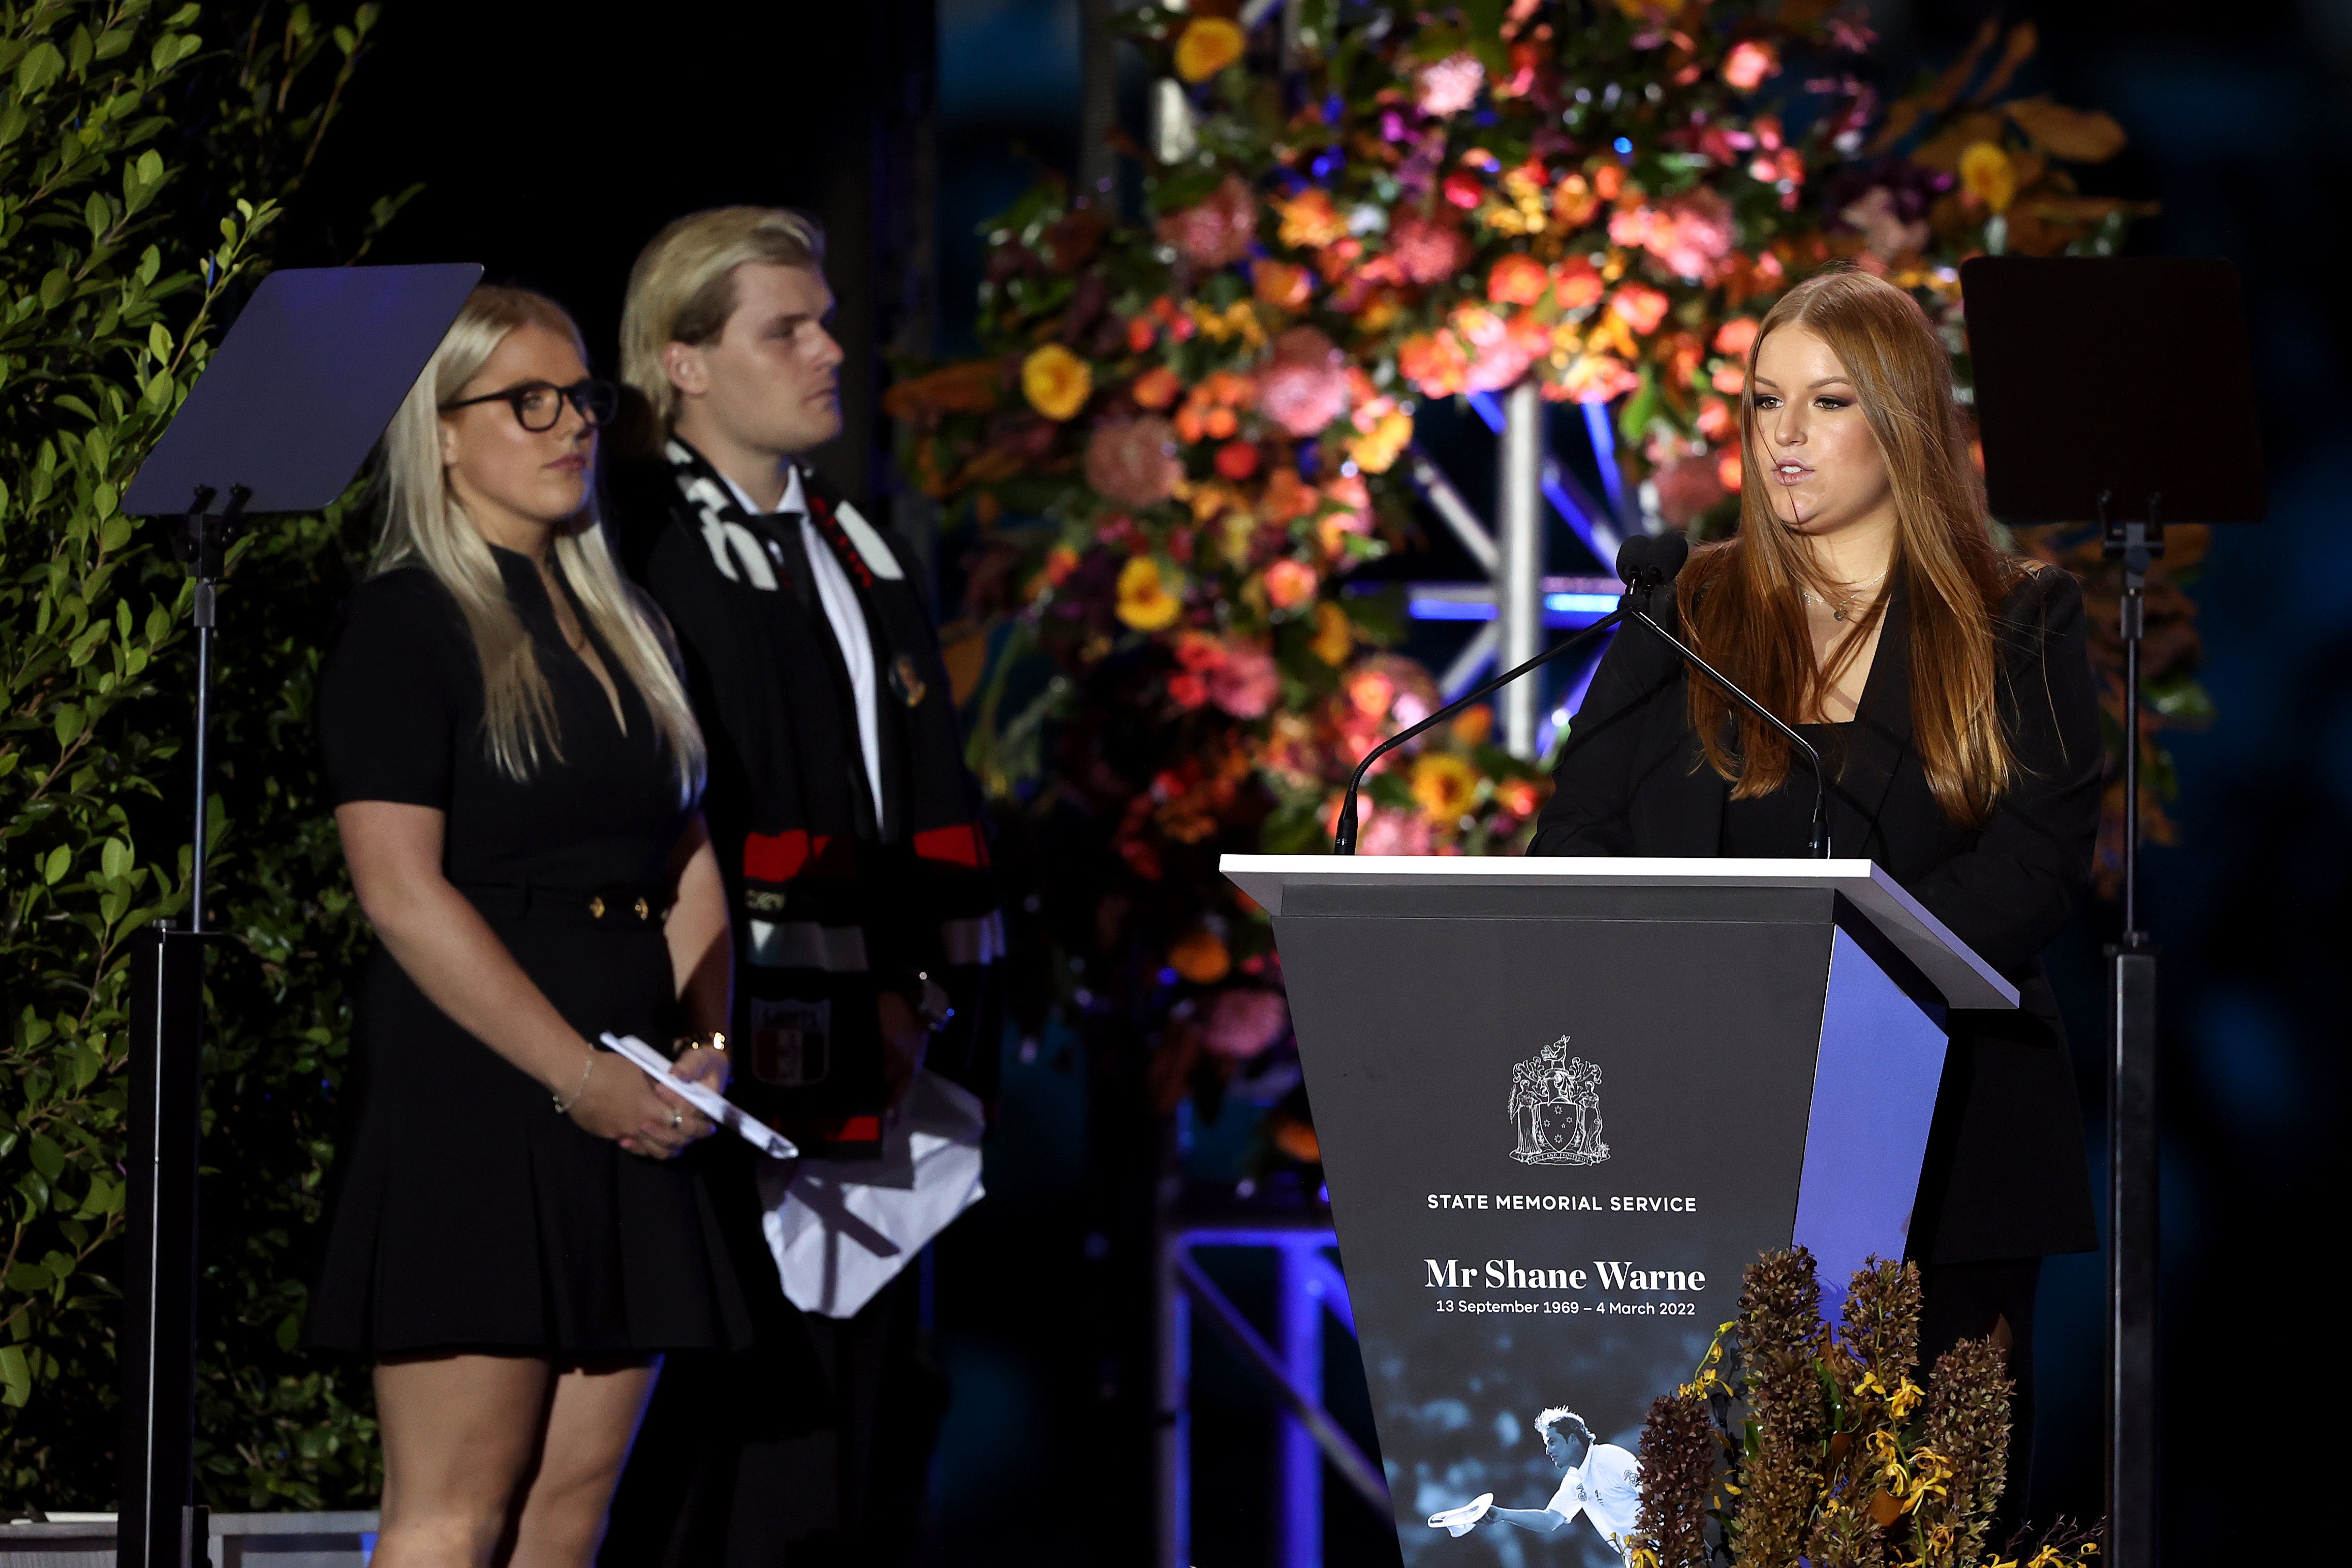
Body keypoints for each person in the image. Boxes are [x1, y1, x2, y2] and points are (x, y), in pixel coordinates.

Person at [1530, 266, 2101, 1523]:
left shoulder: (2016, 616)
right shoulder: (1684, 609)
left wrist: (1835, 982)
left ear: (1897, 418)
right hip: (1694, 1140)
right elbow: (1574, 837)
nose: (1782, 435)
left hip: (1944, 1144)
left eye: (1826, 400)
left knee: (1920, 1522)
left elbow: (2033, 861)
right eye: (1762, 400)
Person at [307, 285, 750, 1567]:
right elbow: (398, 887)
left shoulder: (628, 620)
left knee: (570, 1513)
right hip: (483, 1084)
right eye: (528, 402)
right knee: (458, 1508)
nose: (570, 427)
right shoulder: (408, 620)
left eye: (583, 400)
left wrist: (704, 1040)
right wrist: (577, 1075)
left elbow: (689, 858)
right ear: (439, 431)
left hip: (637, 1077)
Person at [598, 207, 1001, 1566]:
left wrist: (920, 990)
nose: (833, 349)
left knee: (862, 1419)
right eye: (790, 328)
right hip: (718, 1050)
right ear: (685, 361)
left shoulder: (854, 541)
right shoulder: (643, 549)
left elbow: (916, 798)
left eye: (826, 320)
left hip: (874, 1037)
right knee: (727, 1429)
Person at [1476, 1409, 1642, 1561]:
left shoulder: (1608, 1457)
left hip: (1662, 1550)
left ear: (1573, 1439)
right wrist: (1503, 1514)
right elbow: (1549, 1520)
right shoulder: (1574, 1480)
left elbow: (1655, 1493)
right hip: (1639, 1561)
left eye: (1552, 1442)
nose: (1548, 1451)